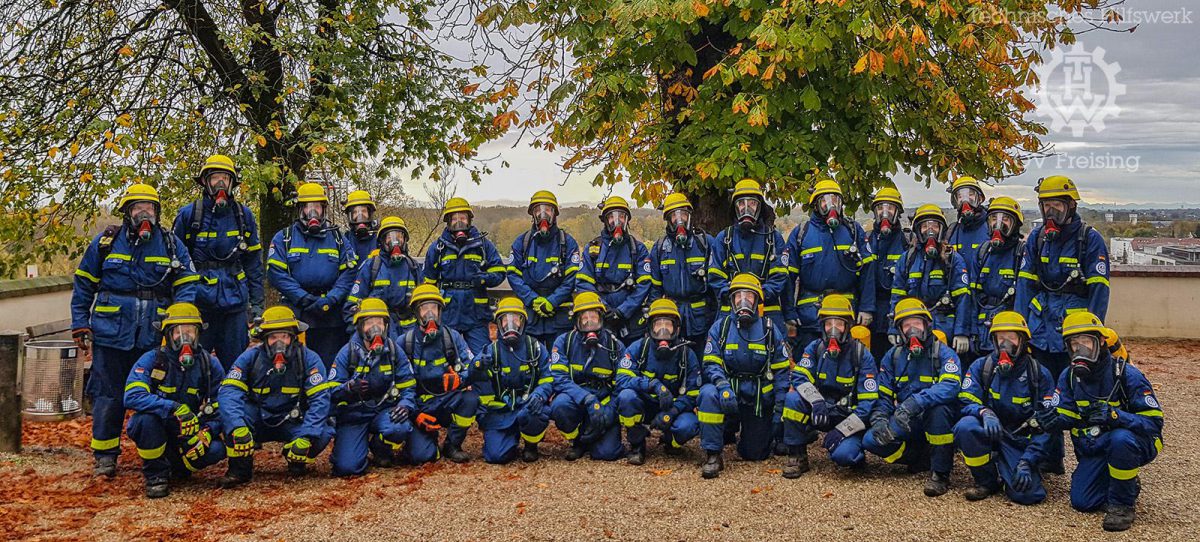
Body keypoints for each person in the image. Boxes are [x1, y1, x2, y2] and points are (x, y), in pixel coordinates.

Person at [71, 183, 199, 476]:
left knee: (158, 394)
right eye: (138, 208)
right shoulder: (106, 243)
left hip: (154, 337)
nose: (145, 213)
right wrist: (80, 322)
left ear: (157, 211)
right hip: (111, 334)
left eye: (150, 208)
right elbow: (83, 284)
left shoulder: (170, 243)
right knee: (108, 395)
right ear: (127, 212)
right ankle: (105, 456)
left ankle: (159, 453)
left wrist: (179, 321)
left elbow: (188, 284)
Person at [1015, 175, 1110, 474]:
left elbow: (1099, 290)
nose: (1050, 211)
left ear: (1071, 205)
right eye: (1046, 205)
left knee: (1081, 395)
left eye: (1056, 204)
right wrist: (1022, 330)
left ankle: (1090, 462)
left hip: (1074, 334)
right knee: (1044, 396)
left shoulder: (1088, 238)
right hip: (1041, 331)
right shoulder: (1037, 238)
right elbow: (1024, 285)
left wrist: (1093, 335)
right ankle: (1050, 458)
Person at [1035, 312, 1163, 531]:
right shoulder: (1069, 376)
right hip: (1095, 447)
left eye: (1085, 341)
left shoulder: (1126, 374)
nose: (1080, 349)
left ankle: (1122, 506)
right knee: (1082, 503)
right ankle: (1125, 483)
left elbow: (1153, 422)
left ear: (1101, 341)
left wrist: (1116, 416)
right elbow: (1068, 414)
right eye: (1074, 344)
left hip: (1133, 444)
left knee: (1121, 439)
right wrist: (1052, 420)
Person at [217, 306, 335, 488]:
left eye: (284, 337)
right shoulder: (251, 357)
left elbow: (320, 399)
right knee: (231, 420)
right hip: (258, 416)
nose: (279, 343)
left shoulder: (309, 359)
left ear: (294, 337)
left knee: (323, 433)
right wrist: (237, 426)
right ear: (264, 339)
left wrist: (307, 435)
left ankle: (295, 458)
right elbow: (228, 392)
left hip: (291, 418)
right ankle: (239, 470)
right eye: (273, 337)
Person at [863, 298, 963, 497]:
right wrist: (880, 419)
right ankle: (918, 458)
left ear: (926, 324)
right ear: (900, 331)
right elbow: (883, 393)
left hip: (934, 418)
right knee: (871, 440)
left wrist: (916, 402)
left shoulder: (943, 353)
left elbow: (951, 386)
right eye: (906, 325)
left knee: (939, 411)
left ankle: (940, 473)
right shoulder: (893, 356)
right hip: (906, 419)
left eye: (916, 323)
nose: (912, 329)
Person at [124, 302, 225, 498]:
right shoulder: (151, 360)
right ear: (167, 335)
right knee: (144, 422)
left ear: (198, 334)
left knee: (216, 450)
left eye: (190, 331)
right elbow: (132, 396)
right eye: (178, 332)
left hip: (189, 428)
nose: (184, 337)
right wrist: (173, 408)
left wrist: (208, 430)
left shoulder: (209, 363)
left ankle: (181, 467)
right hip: (158, 425)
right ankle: (156, 475)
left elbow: (224, 404)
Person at [953, 311, 1055, 504]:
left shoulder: (1039, 374)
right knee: (965, 427)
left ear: (1023, 341)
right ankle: (986, 480)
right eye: (1001, 338)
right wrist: (984, 412)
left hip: (1019, 439)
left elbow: (1048, 424)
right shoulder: (982, 366)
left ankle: (1017, 466)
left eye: (1011, 337)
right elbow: (965, 400)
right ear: (993, 341)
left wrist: (1028, 460)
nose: (1005, 344)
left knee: (1028, 495)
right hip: (989, 429)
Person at [695, 274, 791, 479]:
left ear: (757, 300)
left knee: (755, 454)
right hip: (727, 393)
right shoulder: (720, 328)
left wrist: (778, 411)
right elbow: (711, 363)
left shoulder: (769, 329)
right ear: (731, 300)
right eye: (738, 296)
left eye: (749, 295)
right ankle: (713, 454)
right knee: (707, 393)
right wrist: (723, 387)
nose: (743, 301)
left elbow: (782, 372)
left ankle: (750, 435)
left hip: (757, 398)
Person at [172, 154, 264, 366]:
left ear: (232, 182)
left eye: (225, 178)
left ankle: (231, 399)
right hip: (198, 305)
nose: (220, 184)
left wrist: (257, 305)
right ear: (206, 181)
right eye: (215, 178)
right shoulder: (189, 215)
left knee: (236, 366)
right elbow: (176, 263)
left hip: (234, 304)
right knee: (193, 365)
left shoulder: (244, 216)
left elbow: (253, 265)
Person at [781, 295, 879, 477]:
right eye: (828, 324)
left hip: (848, 415)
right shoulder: (815, 348)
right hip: (821, 410)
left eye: (839, 324)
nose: (833, 329)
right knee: (793, 399)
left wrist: (842, 431)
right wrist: (816, 401)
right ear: (822, 326)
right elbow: (799, 377)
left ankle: (856, 454)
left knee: (844, 456)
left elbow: (868, 404)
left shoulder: (862, 355)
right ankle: (797, 456)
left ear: (848, 326)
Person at [266, 182, 359, 368]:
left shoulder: (338, 238)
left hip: (330, 314)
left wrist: (332, 299)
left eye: (317, 207)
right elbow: (276, 274)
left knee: (330, 364)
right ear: (299, 210)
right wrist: (303, 298)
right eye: (308, 207)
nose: (312, 212)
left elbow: (349, 272)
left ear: (324, 210)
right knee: (295, 363)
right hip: (297, 312)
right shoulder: (284, 238)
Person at [784, 179, 877, 350]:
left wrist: (867, 308)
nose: (831, 205)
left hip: (846, 316)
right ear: (816, 205)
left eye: (835, 200)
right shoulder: (801, 233)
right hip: (809, 318)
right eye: (825, 201)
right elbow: (788, 276)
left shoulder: (853, 230)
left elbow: (868, 272)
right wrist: (789, 313)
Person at [327, 298, 417, 476]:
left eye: (379, 322)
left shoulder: (393, 350)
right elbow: (330, 389)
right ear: (360, 326)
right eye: (369, 323)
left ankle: (380, 447)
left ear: (386, 325)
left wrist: (405, 405)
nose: (375, 328)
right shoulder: (348, 352)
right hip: (354, 415)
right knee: (347, 468)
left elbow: (409, 385)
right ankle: (351, 449)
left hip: (384, 409)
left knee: (399, 428)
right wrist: (348, 388)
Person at [398, 284, 480, 464]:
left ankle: (453, 444)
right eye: (424, 309)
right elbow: (396, 385)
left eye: (433, 308)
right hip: (419, 405)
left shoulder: (453, 337)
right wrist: (415, 414)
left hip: (446, 400)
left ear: (440, 311)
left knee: (470, 399)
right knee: (423, 457)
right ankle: (422, 440)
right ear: (416, 313)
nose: (430, 314)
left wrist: (460, 379)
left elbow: (472, 367)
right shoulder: (405, 342)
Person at [615, 298, 702, 465]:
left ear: (676, 328)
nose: (663, 330)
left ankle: (670, 441)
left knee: (688, 426)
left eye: (668, 325)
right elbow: (622, 379)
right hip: (644, 405)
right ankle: (637, 444)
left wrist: (673, 412)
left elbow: (693, 394)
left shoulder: (687, 354)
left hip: (672, 407)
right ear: (650, 328)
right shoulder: (638, 348)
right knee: (626, 397)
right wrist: (652, 384)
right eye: (658, 325)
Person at [469, 297, 553, 464]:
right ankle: (509, 440)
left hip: (528, 406)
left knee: (537, 412)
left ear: (523, 322)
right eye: (505, 320)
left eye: (515, 319)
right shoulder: (489, 350)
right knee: (496, 457)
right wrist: (477, 366)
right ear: (499, 324)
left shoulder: (535, 348)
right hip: (502, 412)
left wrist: (539, 395)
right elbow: (468, 377)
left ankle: (531, 445)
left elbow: (548, 378)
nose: (511, 324)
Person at [421, 197, 507, 354]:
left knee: (483, 357)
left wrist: (483, 278)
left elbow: (500, 272)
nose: (458, 222)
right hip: (447, 314)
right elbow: (427, 283)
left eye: (462, 218)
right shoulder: (438, 248)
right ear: (448, 221)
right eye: (454, 218)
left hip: (476, 314)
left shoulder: (483, 245)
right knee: (444, 356)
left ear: (469, 220)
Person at [549, 292, 626, 461]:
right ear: (576, 321)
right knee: (559, 405)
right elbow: (559, 378)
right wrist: (587, 399)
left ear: (602, 318)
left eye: (594, 317)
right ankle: (577, 441)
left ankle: (598, 431)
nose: (590, 322)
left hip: (604, 401)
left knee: (607, 454)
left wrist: (609, 413)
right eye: (584, 318)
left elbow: (622, 384)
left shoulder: (615, 346)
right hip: (577, 398)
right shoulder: (563, 342)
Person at [706, 179, 790, 335]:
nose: (746, 208)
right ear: (735, 208)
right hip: (730, 311)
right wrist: (735, 296)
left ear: (760, 207)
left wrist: (757, 296)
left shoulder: (773, 238)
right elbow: (715, 275)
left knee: (774, 353)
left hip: (767, 310)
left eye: (752, 203)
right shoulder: (724, 238)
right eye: (741, 204)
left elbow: (780, 276)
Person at [889, 204, 973, 357]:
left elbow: (963, 298)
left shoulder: (953, 259)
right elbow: (897, 297)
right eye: (925, 226)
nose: (930, 230)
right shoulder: (907, 259)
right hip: (913, 325)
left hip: (945, 327)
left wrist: (962, 333)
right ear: (917, 230)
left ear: (942, 229)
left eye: (935, 225)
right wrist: (893, 328)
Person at [507, 190, 581, 350]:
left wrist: (552, 302)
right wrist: (533, 300)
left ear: (554, 213)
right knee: (532, 362)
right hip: (531, 317)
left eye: (547, 209)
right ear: (532, 214)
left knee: (559, 361)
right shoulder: (522, 242)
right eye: (538, 210)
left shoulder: (567, 243)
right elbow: (513, 276)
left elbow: (572, 279)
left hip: (559, 317)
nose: (543, 214)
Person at [575, 196, 652, 345]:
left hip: (632, 318)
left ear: (627, 219)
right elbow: (583, 283)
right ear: (604, 220)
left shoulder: (637, 249)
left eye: (621, 216)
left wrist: (623, 311)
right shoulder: (593, 248)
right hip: (601, 317)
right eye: (611, 216)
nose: (617, 221)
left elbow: (644, 284)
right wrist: (603, 308)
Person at [647, 193, 717, 356]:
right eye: (674, 216)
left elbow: (716, 286)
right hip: (673, 318)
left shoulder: (706, 244)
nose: (680, 221)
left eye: (683, 215)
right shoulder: (660, 249)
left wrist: (716, 318)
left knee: (704, 361)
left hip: (703, 318)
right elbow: (655, 291)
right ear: (668, 220)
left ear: (690, 216)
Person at [344, 216, 423, 339]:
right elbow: (352, 305)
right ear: (381, 241)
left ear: (405, 240)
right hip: (379, 332)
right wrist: (360, 333)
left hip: (409, 333)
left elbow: (424, 304)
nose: (394, 241)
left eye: (399, 237)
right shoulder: (372, 266)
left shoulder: (413, 267)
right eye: (389, 237)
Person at [970, 197, 1026, 355]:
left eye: (1005, 219)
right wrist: (971, 331)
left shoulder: (1022, 253)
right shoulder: (982, 252)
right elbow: (972, 297)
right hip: (982, 332)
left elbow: (1024, 297)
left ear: (1016, 225)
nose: (998, 224)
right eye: (994, 218)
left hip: (1009, 332)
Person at [865, 187, 910, 360]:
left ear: (897, 212)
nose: (885, 213)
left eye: (890, 208)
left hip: (897, 314)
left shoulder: (907, 241)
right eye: (880, 208)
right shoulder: (865, 240)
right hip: (870, 313)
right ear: (875, 212)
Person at [946, 177, 991, 284]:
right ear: (955, 202)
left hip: (982, 296)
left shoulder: (990, 228)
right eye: (960, 196)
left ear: (979, 199)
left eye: (970, 195)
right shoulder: (951, 232)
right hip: (958, 294)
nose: (965, 201)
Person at [343, 190, 379, 261]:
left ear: (370, 214)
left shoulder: (380, 240)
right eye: (355, 212)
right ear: (350, 216)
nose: (360, 215)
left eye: (364, 211)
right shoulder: (344, 240)